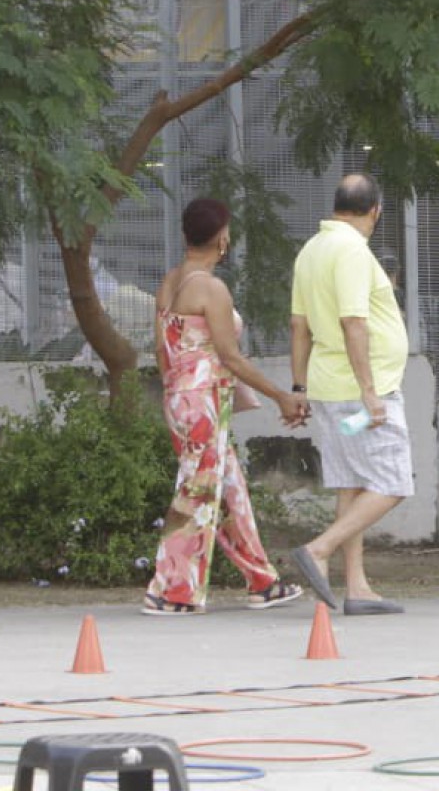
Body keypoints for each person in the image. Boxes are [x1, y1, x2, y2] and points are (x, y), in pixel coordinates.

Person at [143, 197, 307, 615]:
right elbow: (231, 357)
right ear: (223, 239)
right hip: (202, 402)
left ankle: (262, 581)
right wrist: (281, 396)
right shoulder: (210, 289)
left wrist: (173, 395)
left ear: (186, 235)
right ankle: (171, 591)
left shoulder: (171, 281)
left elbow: (163, 349)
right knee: (198, 495)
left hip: (184, 399)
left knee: (229, 491)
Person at [285, 175, 414, 616]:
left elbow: (298, 326)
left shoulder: (311, 251)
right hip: (361, 391)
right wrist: (370, 392)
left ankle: (356, 587)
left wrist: (299, 387)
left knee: (352, 481)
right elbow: (353, 322)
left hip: (326, 387)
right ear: (376, 210)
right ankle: (319, 549)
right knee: (394, 481)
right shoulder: (353, 251)